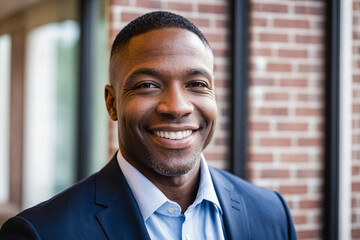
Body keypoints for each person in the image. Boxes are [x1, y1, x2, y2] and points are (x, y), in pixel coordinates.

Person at [0, 11, 297, 240]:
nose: (177, 107)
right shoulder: (42, 232)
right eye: (147, 85)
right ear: (112, 103)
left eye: (196, 83)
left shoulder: (271, 213)